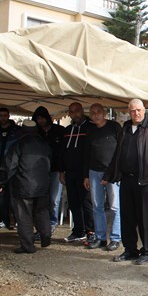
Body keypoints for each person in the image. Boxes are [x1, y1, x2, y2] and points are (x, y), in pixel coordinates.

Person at [105, 99, 148, 265]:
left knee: (145, 219)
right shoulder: (125, 128)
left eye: (139, 110)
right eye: (133, 111)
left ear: (144, 110)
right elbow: (117, 154)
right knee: (127, 218)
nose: (136, 113)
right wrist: (108, 175)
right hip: (126, 180)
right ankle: (130, 250)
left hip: (146, 181)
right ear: (129, 112)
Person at [0, 120, 52, 253]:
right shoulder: (45, 145)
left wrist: (0, 182)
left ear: (23, 130)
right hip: (43, 185)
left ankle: (28, 246)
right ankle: (46, 236)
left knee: (24, 216)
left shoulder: (18, 145)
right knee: (42, 211)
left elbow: (9, 166)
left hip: (23, 186)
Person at [83, 103, 122, 251]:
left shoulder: (114, 127)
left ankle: (115, 238)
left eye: (98, 112)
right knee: (97, 206)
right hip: (94, 172)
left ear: (104, 112)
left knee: (114, 206)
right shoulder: (90, 130)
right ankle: (100, 238)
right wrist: (86, 175)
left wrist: (111, 173)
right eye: (92, 112)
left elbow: (119, 152)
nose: (95, 115)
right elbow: (86, 154)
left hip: (112, 172)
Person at [60, 102, 94, 243]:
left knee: (86, 202)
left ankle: (91, 230)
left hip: (85, 172)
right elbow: (62, 152)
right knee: (73, 202)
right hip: (70, 172)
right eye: (72, 112)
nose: (75, 114)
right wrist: (62, 171)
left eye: (77, 111)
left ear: (82, 111)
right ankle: (78, 230)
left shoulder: (90, 127)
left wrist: (88, 173)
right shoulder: (67, 130)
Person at [32, 106, 66, 235]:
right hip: (40, 172)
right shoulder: (36, 133)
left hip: (57, 170)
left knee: (54, 199)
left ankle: (52, 222)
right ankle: (42, 226)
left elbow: (64, 152)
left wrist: (63, 170)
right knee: (40, 200)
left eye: (42, 118)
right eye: (37, 119)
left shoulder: (59, 131)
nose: (40, 121)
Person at [0, 107, 21, 231]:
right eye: (0, 115)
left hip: (14, 168)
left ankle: (17, 221)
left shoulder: (17, 131)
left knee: (15, 196)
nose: (3, 118)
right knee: (1, 197)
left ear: (8, 116)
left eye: (5, 115)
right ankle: (3, 220)